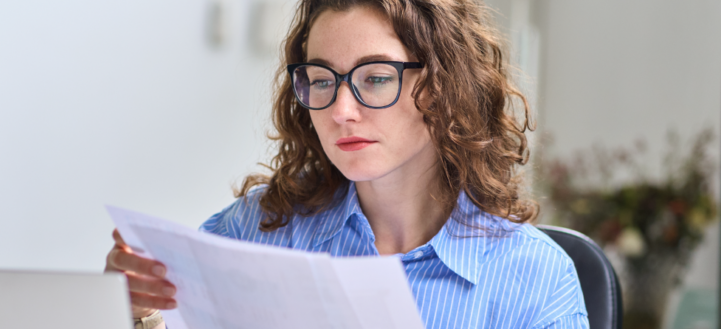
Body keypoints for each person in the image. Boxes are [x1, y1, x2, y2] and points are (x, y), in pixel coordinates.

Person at [105, 0, 589, 328]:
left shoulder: (537, 279)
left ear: (442, 85)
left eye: (375, 78)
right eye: (320, 79)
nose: (340, 111)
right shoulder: (259, 229)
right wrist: (137, 312)